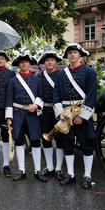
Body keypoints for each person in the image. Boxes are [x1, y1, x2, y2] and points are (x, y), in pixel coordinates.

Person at [53, 43, 97, 189]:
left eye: (74, 53)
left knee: (87, 145)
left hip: (82, 113)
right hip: (66, 114)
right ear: (67, 56)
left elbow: (91, 95)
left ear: (80, 55)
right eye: (69, 53)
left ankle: (87, 176)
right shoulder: (61, 74)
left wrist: (83, 116)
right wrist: (61, 113)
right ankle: (71, 175)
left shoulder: (89, 72)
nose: (72, 55)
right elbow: (56, 94)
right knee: (67, 144)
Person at [5, 52, 46, 182]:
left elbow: (41, 97)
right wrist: (9, 117)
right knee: (19, 141)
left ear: (29, 64)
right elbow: (9, 100)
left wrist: (36, 106)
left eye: (26, 62)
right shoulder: (13, 81)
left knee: (35, 141)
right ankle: (21, 170)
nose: (24, 64)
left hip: (33, 115)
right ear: (18, 65)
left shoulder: (37, 79)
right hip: (17, 115)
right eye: (21, 62)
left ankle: (37, 170)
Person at [38, 50, 64, 180]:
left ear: (56, 62)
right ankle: (50, 167)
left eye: (52, 60)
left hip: (58, 111)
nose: (49, 62)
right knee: (46, 139)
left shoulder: (62, 75)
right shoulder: (40, 77)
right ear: (44, 63)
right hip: (45, 111)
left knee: (60, 140)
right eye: (47, 60)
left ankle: (58, 168)